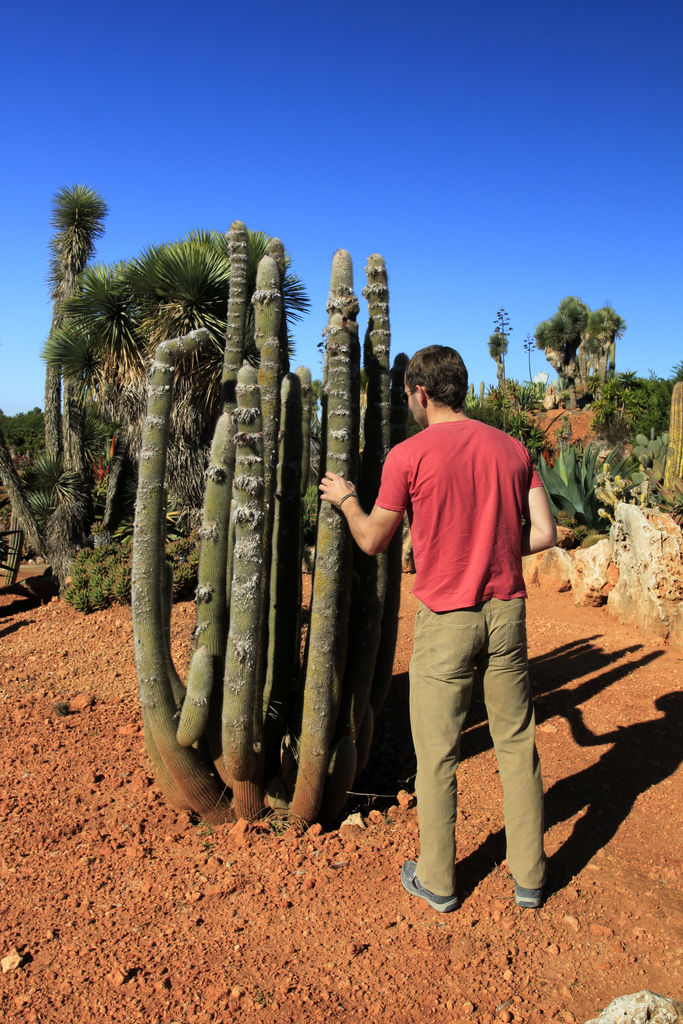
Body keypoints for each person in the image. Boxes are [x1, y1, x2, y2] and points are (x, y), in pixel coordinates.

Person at [319, 345, 556, 912]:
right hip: (507, 616)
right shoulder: (513, 449)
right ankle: (530, 879)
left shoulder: (408, 455)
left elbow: (374, 540)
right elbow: (545, 533)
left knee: (438, 753)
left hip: (446, 620)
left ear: (421, 393)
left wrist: (348, 500)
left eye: (408, 395)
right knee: (517, 744)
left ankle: (439, 882)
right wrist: (495, 545)